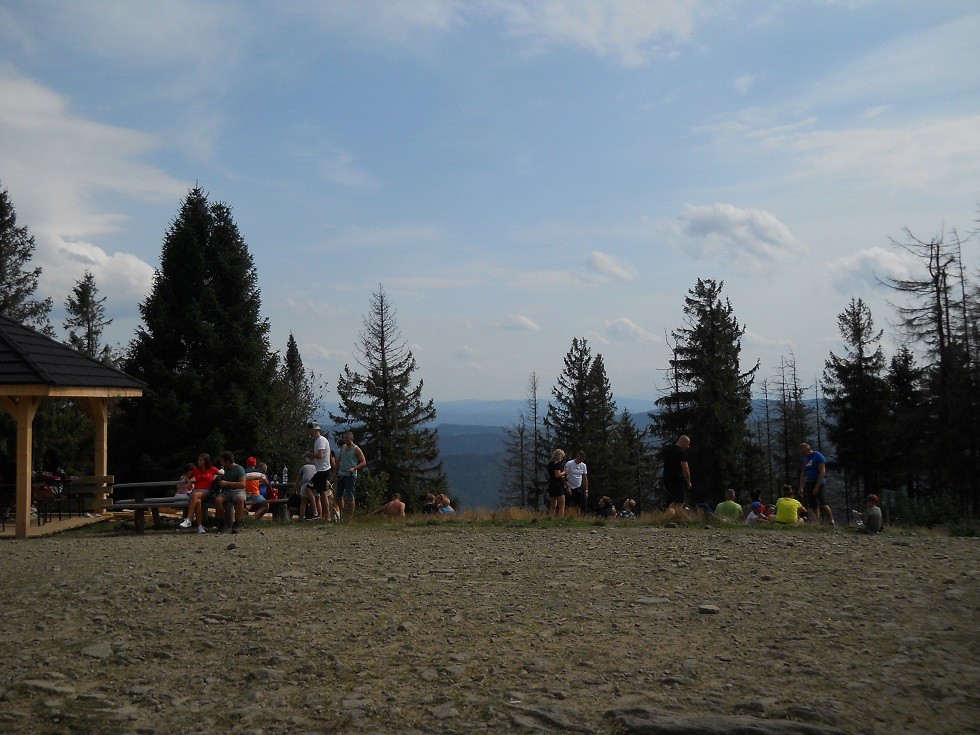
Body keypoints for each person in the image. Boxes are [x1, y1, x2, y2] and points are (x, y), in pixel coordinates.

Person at [182, 453, 221, 533]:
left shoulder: (212, 469)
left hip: (206, 491)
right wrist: (188, 480)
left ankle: (189, 518)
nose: (199, 462)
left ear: (206, 461)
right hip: (196, 490)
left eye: (201, 460)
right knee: (198, 501)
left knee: (195, 495)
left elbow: (222, 473)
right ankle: (200, 526)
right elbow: (185, 476)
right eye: (198, 460)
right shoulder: (195, 470)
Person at [799, 443, 834, 526]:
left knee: (823, 503)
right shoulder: (805, 459)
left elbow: (822, 471)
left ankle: (831, 520)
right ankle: (817, 522)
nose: (804, 454)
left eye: (804, 452)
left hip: (818, 482)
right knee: (813, 504)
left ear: (808, 449)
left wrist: (817, 486)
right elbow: (803, 473)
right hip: (809, 482)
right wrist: (801, 487)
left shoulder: (818, 456)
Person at [213, 451, 247, 534]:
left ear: (227, 462)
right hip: (227, 491)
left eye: (222, 462)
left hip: (238, 490)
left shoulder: (239, 469)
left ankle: (237, 523)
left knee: (240, 500)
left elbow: (242, 484)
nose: (221, 463)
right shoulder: (225, 469)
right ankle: (222, 522)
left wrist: (227, 483)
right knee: (218, 500)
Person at [336, 431, 367, 521]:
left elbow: (363, 462)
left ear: (351, 438)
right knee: (338, 496)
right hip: (341, 474)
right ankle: (341, 514)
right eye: (344, 438)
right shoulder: (343, 447)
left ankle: (350, 517)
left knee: (350, 496)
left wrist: (354, 468)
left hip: (350, 475)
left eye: (346, 437)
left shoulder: (356, 449)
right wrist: (335, 472)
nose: (345, 439)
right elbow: (339, 460)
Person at [303, 423, 332, 519]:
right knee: (322, 492)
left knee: (308, 488)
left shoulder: (320, 441)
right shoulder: (318, 441)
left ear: (313, 430)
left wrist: (309, 454)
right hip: (323, 469)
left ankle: (315, 512)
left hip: (322, 470)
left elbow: (320, 455)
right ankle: (326, 515)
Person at [662, 436, 692, 519]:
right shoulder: (681, 452)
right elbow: (685, 469)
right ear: (683, 442)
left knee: (676, 501)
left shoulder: (668, 451)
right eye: (687, 444)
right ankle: (674, 518)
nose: (688, 446)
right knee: (680, 502)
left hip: (667, 479)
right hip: (676, 480)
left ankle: (666, 516)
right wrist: (688, 481)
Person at [546, 449, 568, 517]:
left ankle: (550, 518)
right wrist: (564, 472)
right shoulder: (557, 464)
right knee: (561, 506)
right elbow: (557, 475)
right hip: (558, 486)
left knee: (552, 506)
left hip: (551, 485)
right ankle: (561, 519)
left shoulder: (550, 463)